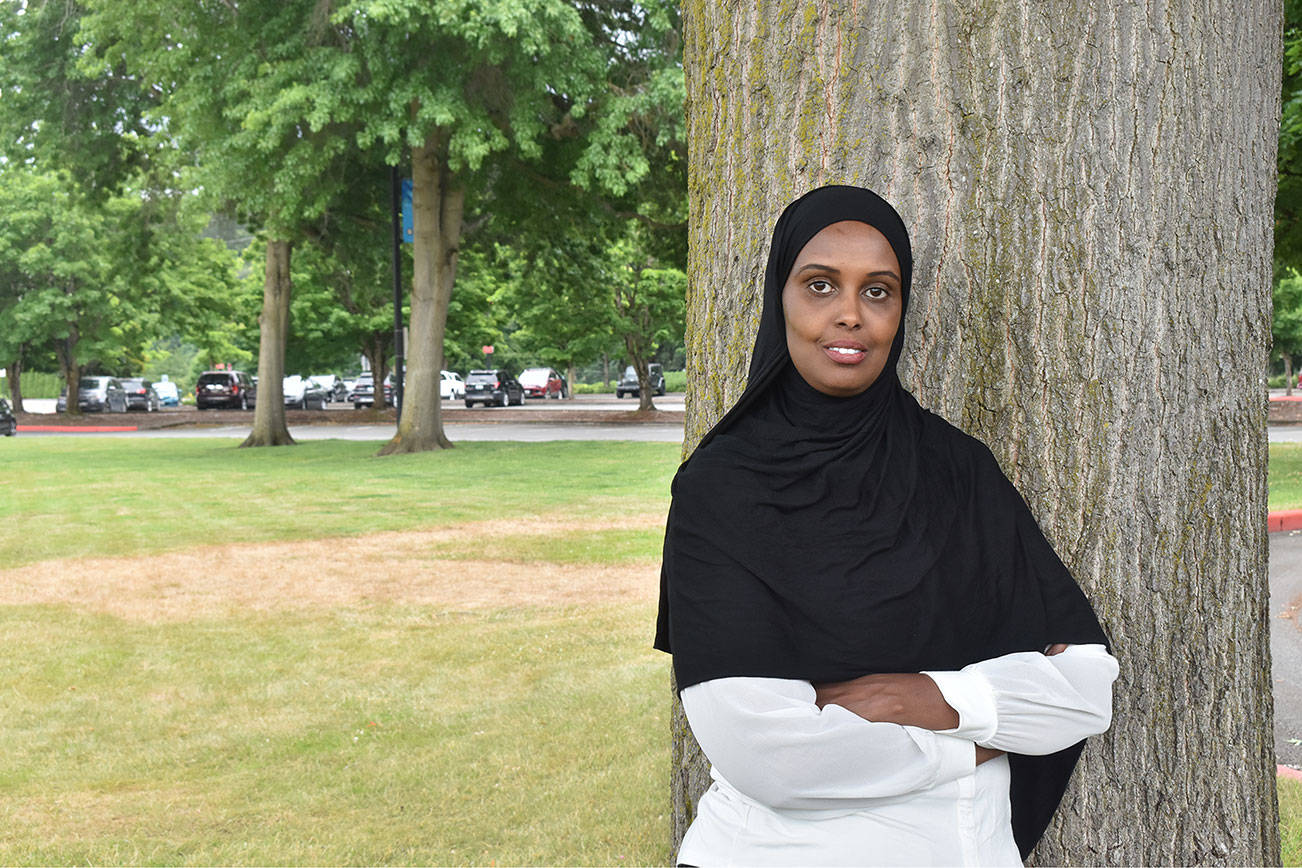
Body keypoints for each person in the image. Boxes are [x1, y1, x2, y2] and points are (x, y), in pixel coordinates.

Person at [654, 185, 1118, 866]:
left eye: (879, 291)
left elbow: (1084, 692)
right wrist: (989, 730)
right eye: (819, 286)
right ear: (778, 298)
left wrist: (929, 695)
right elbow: (773, 761)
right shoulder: (721, 489)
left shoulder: (956, 470)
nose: (850, 314)